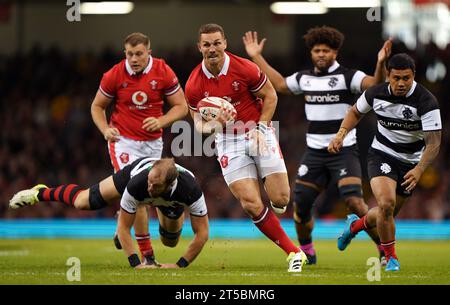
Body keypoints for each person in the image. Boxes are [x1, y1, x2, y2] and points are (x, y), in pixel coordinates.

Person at [243, 26, 391, 264]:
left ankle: (383, 250)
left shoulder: (347, 76)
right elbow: (280, 84)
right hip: (314, 152)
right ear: (311, 52)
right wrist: (256, 56)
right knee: (300, 205)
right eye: (316, 50)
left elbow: (374, 85)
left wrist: (380, 63)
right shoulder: (305, 79)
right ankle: (308, 252)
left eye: (326, 50)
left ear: (335, 52)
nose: (321, 54)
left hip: (344, 150)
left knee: (354, 201)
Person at [185, 23, 307, 272]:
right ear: (200, 47)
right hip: (228, 141)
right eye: (206, 44)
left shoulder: (245, 68)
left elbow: (271, 96)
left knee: (281, 199)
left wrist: (262, 128)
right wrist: (213, 126)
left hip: (257, 131)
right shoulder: (194, 84)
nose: (212, 49)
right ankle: (294, 252)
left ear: (225, 43)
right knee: (250, 203)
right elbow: (198, 124)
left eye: (216, 43)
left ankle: (274, 196)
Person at [328, 53, 442, 271]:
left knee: (384, 213)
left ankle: (354, 226)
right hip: (382, 154)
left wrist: (419, 170)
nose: (401, 83)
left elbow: (434, 143)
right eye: (396, 78)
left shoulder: (426, 101)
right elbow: (354, 112)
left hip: (411, 164)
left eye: (406, 78)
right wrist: (341, 134)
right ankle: (390, 258)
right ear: (388, 75)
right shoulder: (375, 93)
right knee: (386, 204)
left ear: (413, 76)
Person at [90, 32, 188, 263]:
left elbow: (181, 107)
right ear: (125, 53)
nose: (134, 59)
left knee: (144, 196)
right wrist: (105, 129)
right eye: (130, 54)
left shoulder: (163, 71)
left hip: (153, 144)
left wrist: (162, 121)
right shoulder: (114, 74)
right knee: (139, 193)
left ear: (149, 53)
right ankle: (147, 257)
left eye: (139, 54)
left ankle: (122, 220)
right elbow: (97, 106)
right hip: (123, 142)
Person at [9, 158, 209, 269]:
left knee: (170, 242)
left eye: (155, 185)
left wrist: (179, 265)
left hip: (171, 202)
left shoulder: (190, 189)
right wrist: (135, 264)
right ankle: (40, 192)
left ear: (168, 185)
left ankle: (163, 210)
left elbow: (203, 233)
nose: (149, 187)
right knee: (82, 202)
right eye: (149, 181)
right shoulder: (138, 183)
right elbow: (123, 227)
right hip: (133, 174)